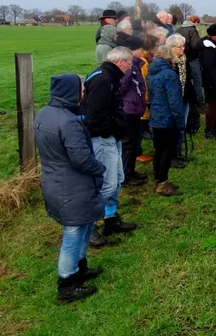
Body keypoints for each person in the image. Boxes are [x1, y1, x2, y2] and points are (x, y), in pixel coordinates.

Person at [35, 74, 106, 302]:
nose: (84, 93)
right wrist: (100, 168)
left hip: (57, 182)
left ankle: (80, 267)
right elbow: (81, 158)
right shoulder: (68, 122)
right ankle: (66, 283)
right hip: (72, 186)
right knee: (73, 233)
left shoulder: (44, 114)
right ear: (71, 92)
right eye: (81, 90)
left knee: (84, 226)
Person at [82, 47, 137, 245]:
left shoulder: (109, 76)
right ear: (120, 62)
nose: (130, 67)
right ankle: (88, 226)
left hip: (113, 136)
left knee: (118, 179)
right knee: (107, 183)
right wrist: (109, 131)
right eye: (129, 63)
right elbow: (94, 115)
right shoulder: (103, 80)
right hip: (102, 137)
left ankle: (111, 218)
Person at [146, 45, 186, 196]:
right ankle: (162, 183)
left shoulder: (151, 72)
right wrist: (180, 121)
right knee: (167, 151)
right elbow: (174, 100)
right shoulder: (169, 74)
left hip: (155, 115)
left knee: (159, 150)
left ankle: (158, 179)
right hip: (167, 117)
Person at [119, 36, 148, 187]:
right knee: (128, 144)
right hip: (128, 110)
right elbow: (122, 87)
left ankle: (131, 171)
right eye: (140, 49)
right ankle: (125, 175)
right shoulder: (128, 68)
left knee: (134, 142)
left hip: (134, 108)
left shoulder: (135, 65)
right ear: (132, 50)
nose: (142, 51)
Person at [167, 34, 195, 165]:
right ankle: (171, 156)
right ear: (171, 48)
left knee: (181, 126)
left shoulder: (184, 60)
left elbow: (188, 79)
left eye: (183, 46)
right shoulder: (169, 63)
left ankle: (178, 153)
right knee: (173, 128)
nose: (183, 49)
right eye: (180, 47)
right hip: (173, 101)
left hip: (184, 97)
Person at [177, 16, 204, 107]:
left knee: (184, 80)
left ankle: (186, 99)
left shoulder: (178, 29)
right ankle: (199, 101)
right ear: (195, 22)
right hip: (192, 59)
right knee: (197, 80)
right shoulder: (192, 30)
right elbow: (195, 45)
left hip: (181, 58)